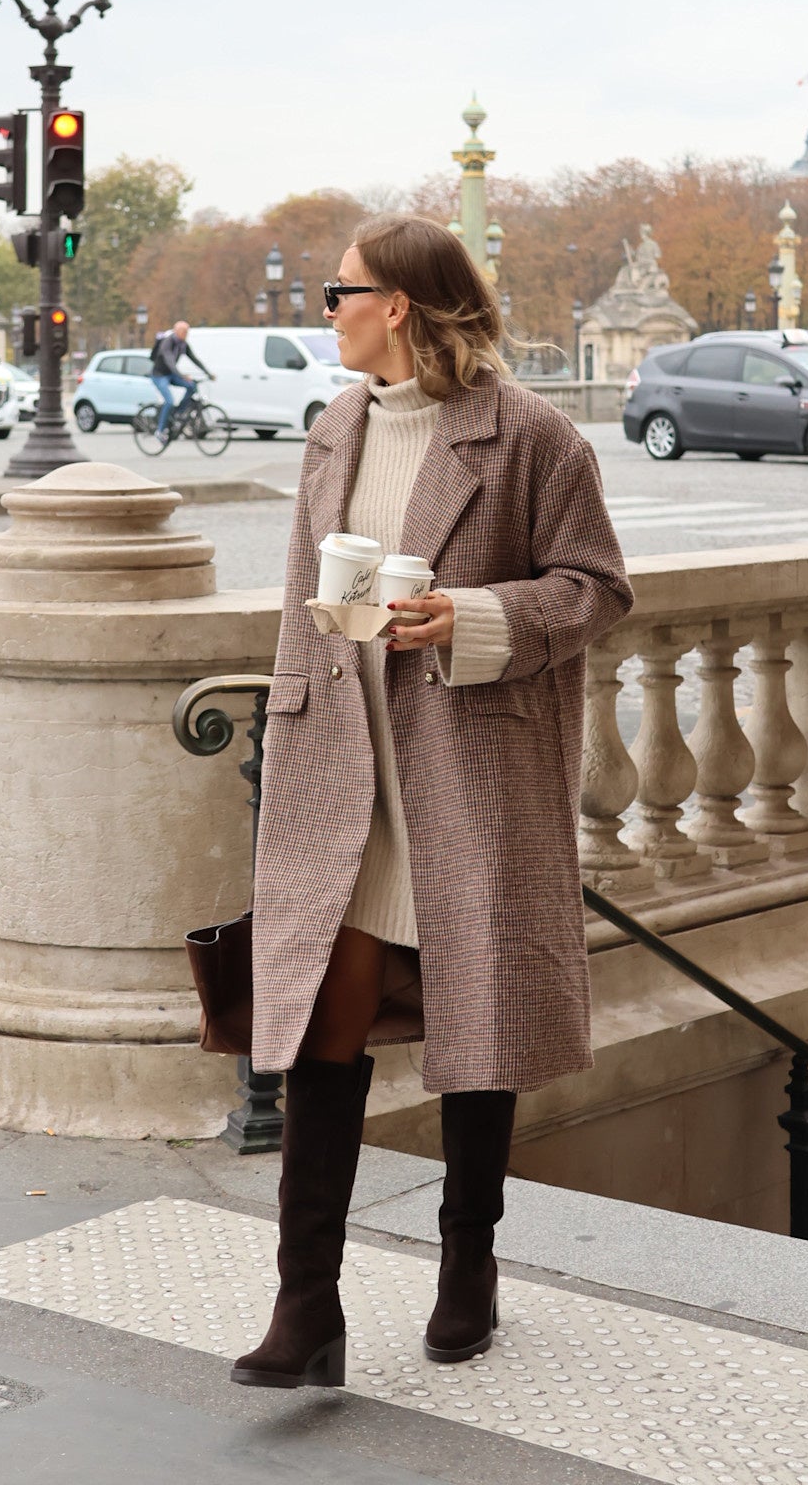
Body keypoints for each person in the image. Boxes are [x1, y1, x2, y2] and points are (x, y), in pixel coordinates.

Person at [230, 212, 632, 1391]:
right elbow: (305, 588)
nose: (328, 311)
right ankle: (307, 1304)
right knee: (322, 1018)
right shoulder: (334, 425)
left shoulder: (532, 437)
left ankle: (469, 1264)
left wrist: (478, 616)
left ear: (397, 303)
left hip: (468, 758)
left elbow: (598, 586)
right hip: (342, 760)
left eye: (337, 292)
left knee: (479, 1017)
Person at [149, 320, 213, 435]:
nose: (186, 334)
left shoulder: (183, 344)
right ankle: (160, 430)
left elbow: (194, 359)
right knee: (169, 401)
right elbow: (170, 362)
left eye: (187, 331)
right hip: (159, 375)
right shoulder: (167, 342)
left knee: (192, 386)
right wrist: (182, 375)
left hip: (171, 374)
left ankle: (178, 412)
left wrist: (208, 372)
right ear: (176, 331)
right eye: (184, 331)